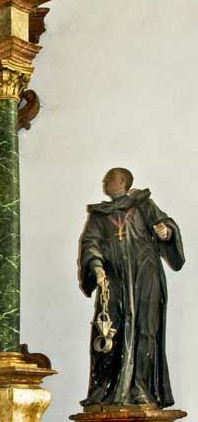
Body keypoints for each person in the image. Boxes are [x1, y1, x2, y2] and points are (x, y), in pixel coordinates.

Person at [79, 167, 185, 408]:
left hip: (145, 276)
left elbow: (165, 226)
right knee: (109, 330)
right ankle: (107, 390)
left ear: (123, 182)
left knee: (146, 329)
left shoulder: (143, 204)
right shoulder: (98, 216)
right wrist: (97, 268)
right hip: (113, 280)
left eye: (110, 178)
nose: (105, 181)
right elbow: (91, 243)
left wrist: (165, 232)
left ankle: (141, 388)